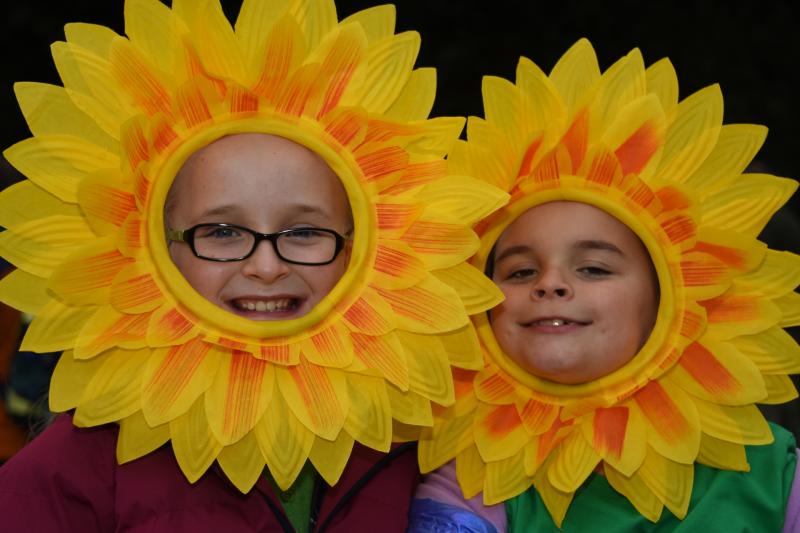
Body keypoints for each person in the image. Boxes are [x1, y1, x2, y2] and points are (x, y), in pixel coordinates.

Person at [0, 1, 507, 531]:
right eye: (220, 232)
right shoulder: (82, 466)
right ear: (151, 248)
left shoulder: (422, 440)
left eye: (305, 232)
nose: (266, 265)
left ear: (365, 246)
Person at [411, 38, 800, 532]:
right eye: (520, 271)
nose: (550, 283)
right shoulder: (471, 480)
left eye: (593, 268)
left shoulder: (780, 479)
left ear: (669, 298)